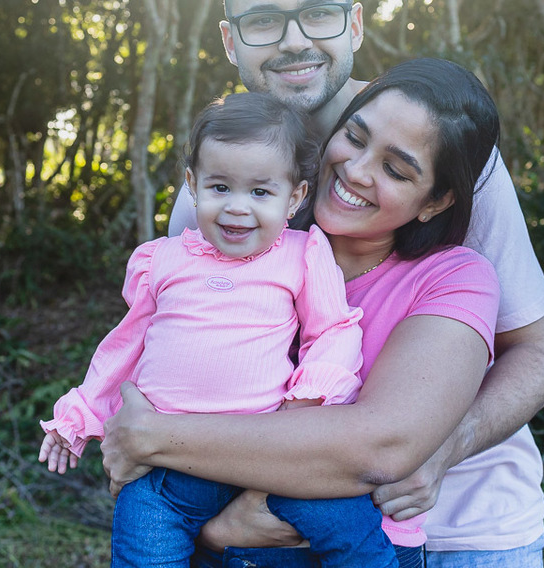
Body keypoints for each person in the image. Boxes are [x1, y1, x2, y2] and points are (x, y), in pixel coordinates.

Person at [165, 0, 544, 566]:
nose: (295, 41)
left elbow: (537, 355)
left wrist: (436, 451)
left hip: (463, 532)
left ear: (352, 24)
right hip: (285, 535)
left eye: (317, 14)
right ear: (230, 39)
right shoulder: (217, 196)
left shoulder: (452, 160)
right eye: (264, 20)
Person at [94, 58, 505, 568]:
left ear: (436, 201)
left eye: (395, 169)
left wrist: (151, 438)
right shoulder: (239, 244)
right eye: (354, 137)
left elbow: (381, 448)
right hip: (200, 535)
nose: (355, 170)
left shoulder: (454, 278)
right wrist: (223, 529)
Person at [38, 92, 399, 568]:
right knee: (142, 534)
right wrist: (79, 415)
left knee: (351, 530)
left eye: (260, 192)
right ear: (192, 185)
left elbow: (332, 329)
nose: (236, 208)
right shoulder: (162, 259)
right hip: (169, 467)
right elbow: (125, 348)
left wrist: (309, 397)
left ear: (295, 197)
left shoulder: (301, 253)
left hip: (269, 455)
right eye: (220, 187)